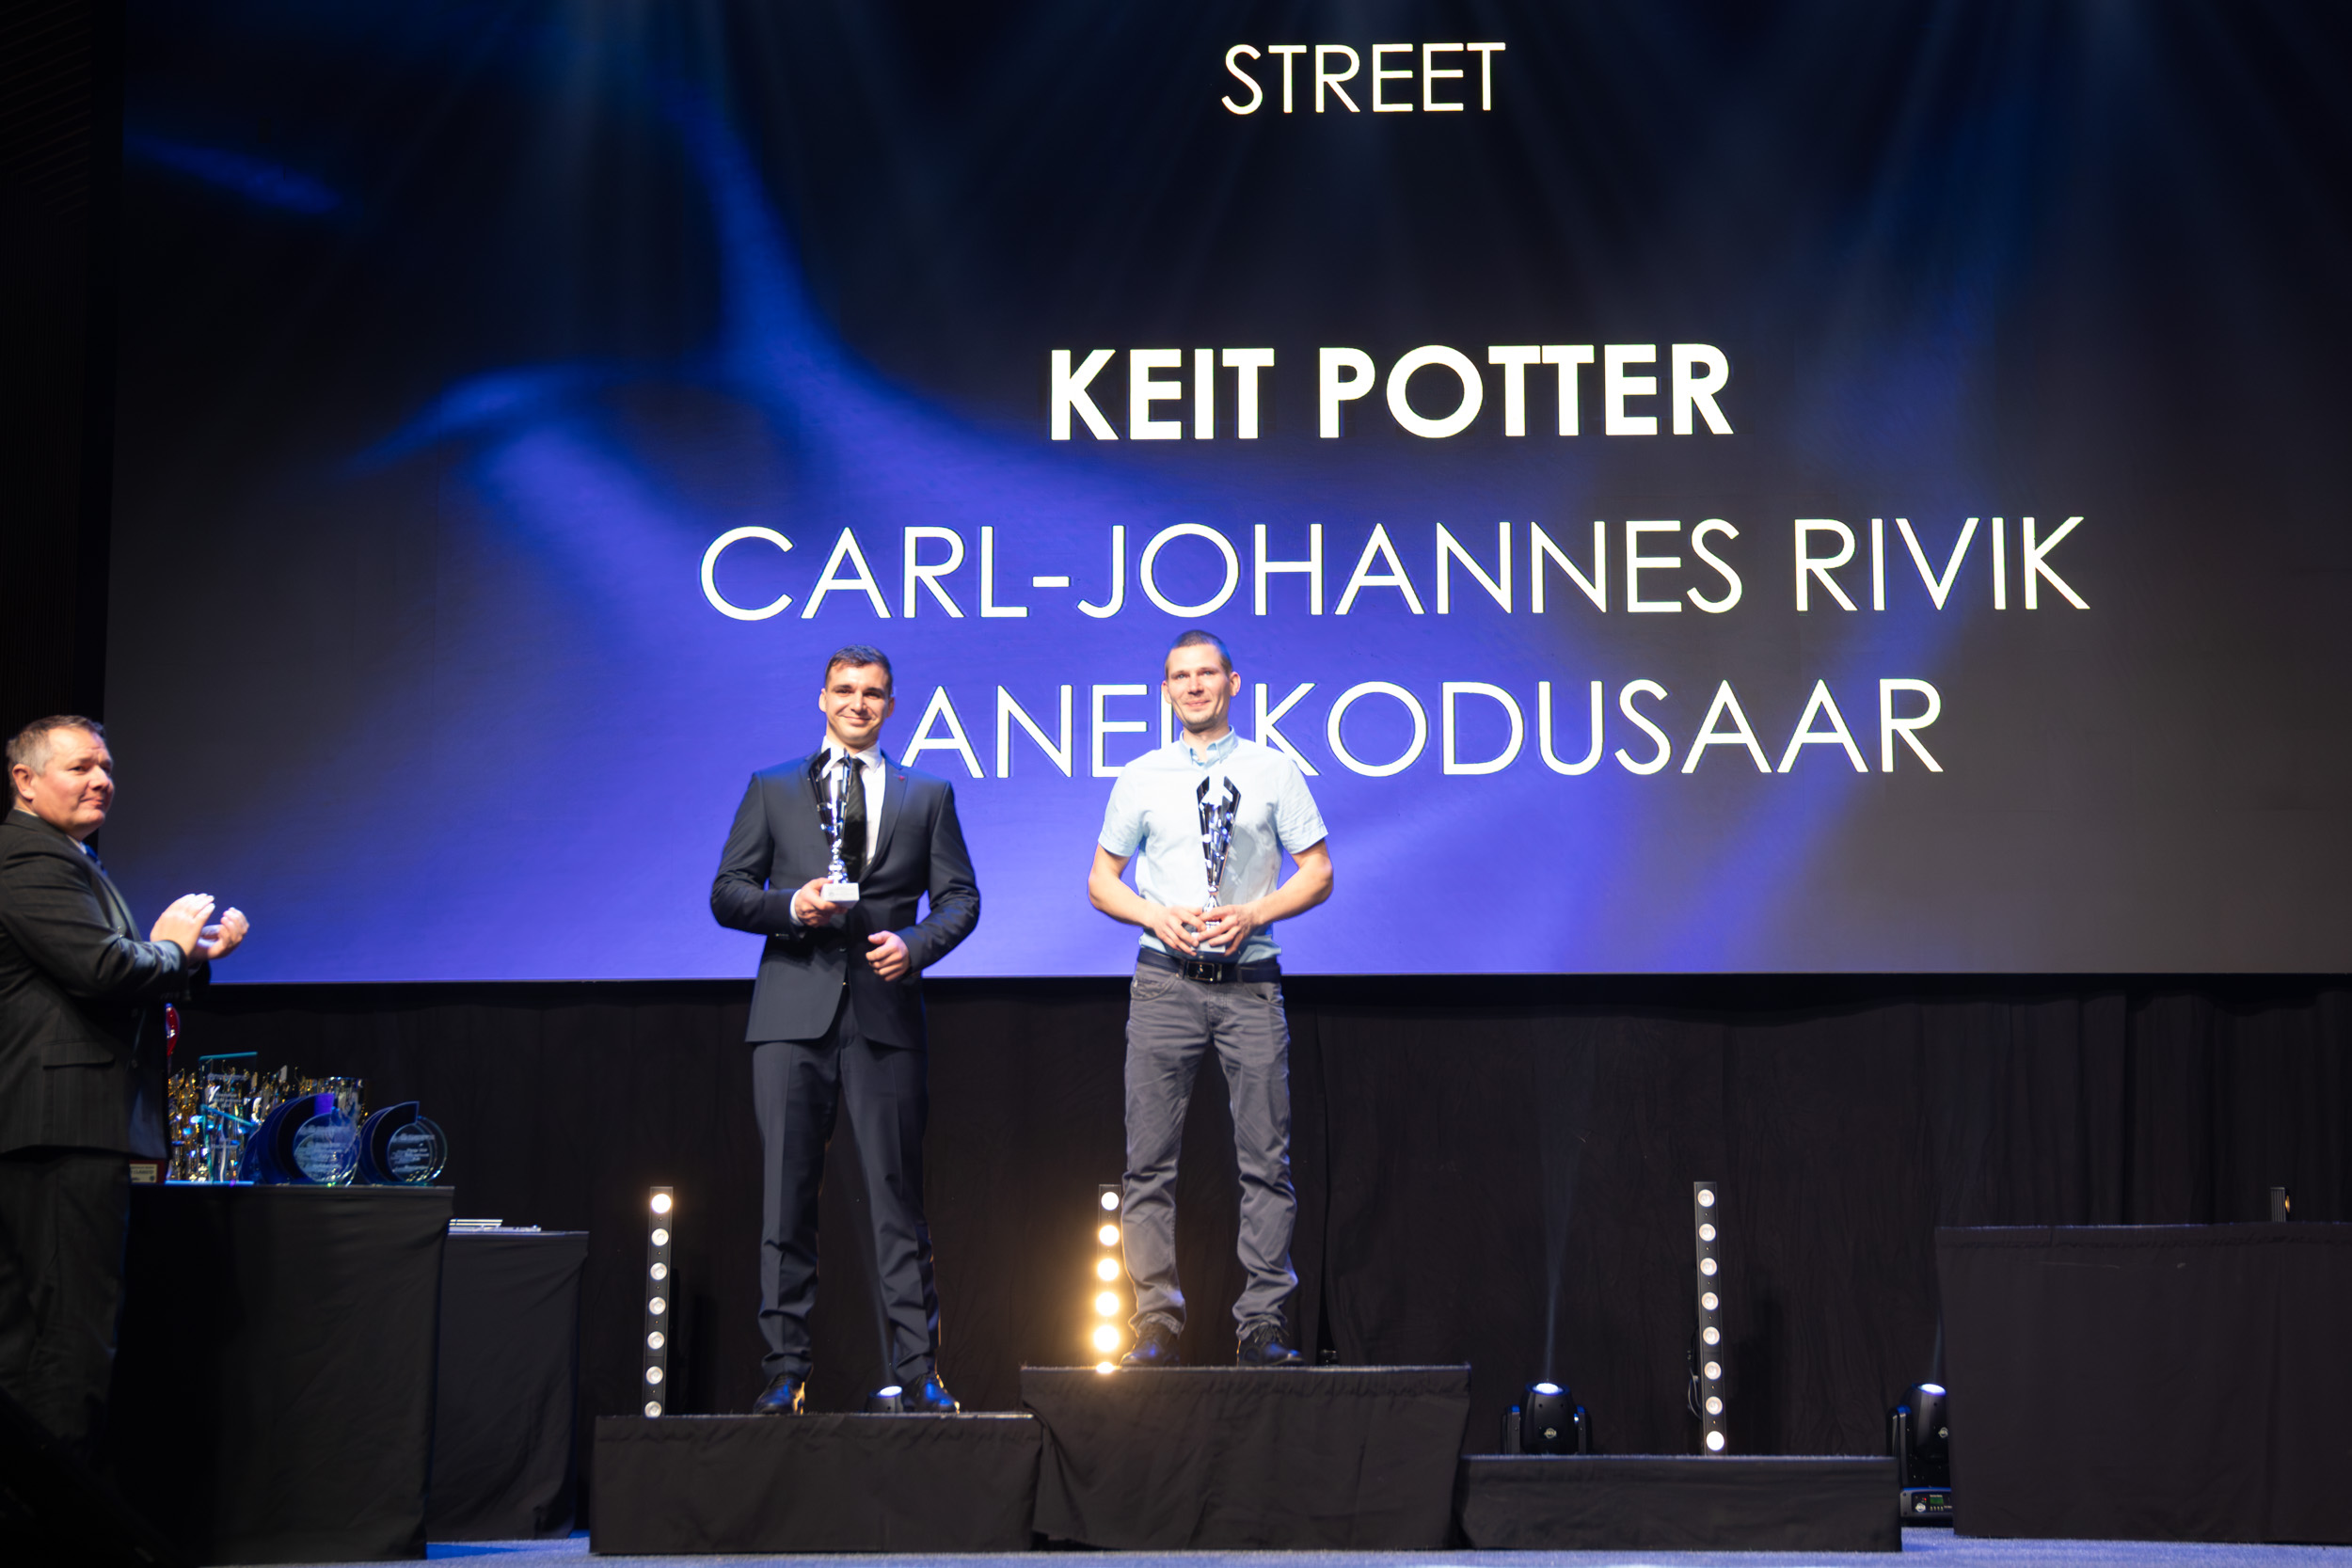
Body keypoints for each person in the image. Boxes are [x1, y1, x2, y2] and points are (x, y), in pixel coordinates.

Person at [711, 646, 980, 1415]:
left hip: (883, 1017)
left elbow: (961, 898)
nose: (858, 703)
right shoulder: (772, 787)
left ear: (891, 705)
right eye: (845, 690)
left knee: (895, 1197)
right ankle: (784, 1372)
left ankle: (919, 1370)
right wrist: (791, 906)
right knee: (785, 1199)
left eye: (873, 693)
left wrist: (916, 945)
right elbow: (728, 892)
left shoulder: (928, 794)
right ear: (822, 698)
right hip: (790, 1016)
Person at [0, 716, 248, 1454]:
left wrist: (188, 959)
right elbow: (103, 969)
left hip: (61, 1126)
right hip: (61, 1127)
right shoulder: (30, 856)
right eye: (80, 767)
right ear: (25, 780)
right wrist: (170, 945)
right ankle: (56, 1511)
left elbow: (105, 971)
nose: (102, 780)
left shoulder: (66, 856)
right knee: (67, 1337)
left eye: (105, 766)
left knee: (40, 1335)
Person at [1088, 630, 1332, 1368]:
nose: (1194, 686)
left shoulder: (1274, 769)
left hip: (1250, 985)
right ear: (1166, 690)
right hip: (1164, 980)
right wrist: (1152, 914)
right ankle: (1155, 1322)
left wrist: (1255, 912)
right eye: (1180, 676)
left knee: (1266, 1161)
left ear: (1232, 682)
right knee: (1148, 1164)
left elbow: (1318, 871)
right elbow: (1101, 880)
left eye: (1206, 674)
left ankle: (1262, 1324)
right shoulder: (1141, 775)